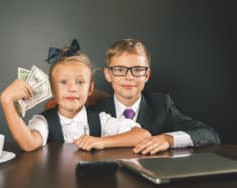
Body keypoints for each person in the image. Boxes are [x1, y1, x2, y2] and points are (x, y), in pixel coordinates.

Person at [0, 39, 150, 152]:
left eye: (80, 82)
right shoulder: (44, 122)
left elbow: (142, 135)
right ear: (52, 88)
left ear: (90, 88)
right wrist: (7, 103)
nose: (72, 88)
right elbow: (28, 143)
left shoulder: (101, 120)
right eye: (64, 82)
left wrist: (102, 142)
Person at [91, 38, 220, 155]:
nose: (129, 77)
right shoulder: (95, 112)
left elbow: (209, 134)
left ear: (146, 75)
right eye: (119, 70)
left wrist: (168, 139)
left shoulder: (161, 105)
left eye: (137, 70)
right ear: (108, 74)